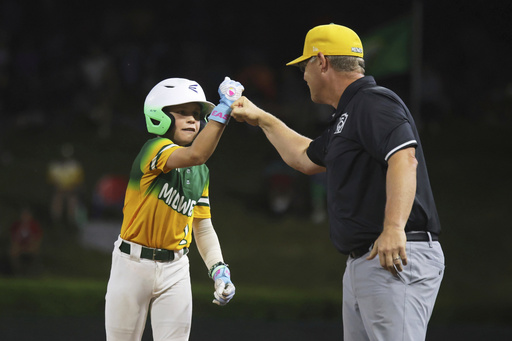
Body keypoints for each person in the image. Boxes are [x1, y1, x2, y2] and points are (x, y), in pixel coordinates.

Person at [231, 24, 444, 341]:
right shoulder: (350, 114)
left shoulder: (374, 103)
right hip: (367, 260)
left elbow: (404, 159)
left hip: (395, 252)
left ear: (322, 61)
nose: (303, 75)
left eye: (305, 66)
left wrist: (394, 227)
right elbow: (304, 156)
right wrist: (262, 118)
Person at [105, 76, 244, 341]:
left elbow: (202, 226)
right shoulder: (154, 149)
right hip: (132, 264)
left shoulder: (201, 172)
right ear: (161, 115)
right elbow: (196, 154)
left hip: (176, 268)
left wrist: (219, 270)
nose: (193, 119)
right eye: (183, 113)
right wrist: (223, 108)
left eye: (196, 114)